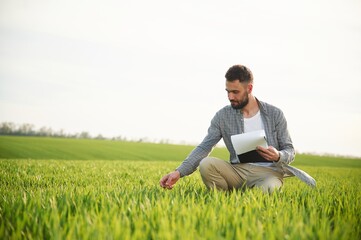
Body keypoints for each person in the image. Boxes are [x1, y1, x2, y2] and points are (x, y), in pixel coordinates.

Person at [159, 64, 315, 193]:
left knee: (268, 191)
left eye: (235, 92)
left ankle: (245, 195)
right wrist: (179, 172)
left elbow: (289, 150)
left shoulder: (274, 114)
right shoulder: (222, 116)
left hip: (269, 173)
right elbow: (204, 147)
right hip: (238, 171)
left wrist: (278, 155)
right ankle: (223, 199)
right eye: (228, 92)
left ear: (249, 88)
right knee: (206, 164)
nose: (230, 97)